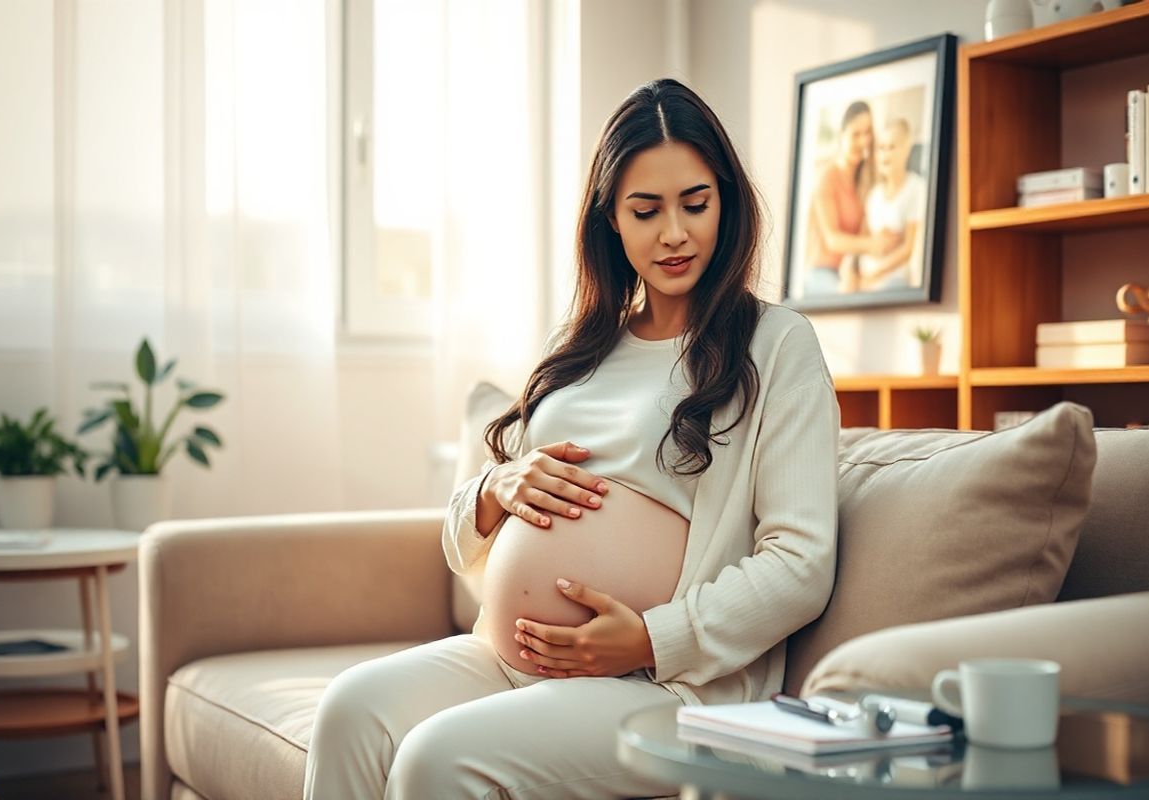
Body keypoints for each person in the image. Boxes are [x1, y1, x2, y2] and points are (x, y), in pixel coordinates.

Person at [303, 77, 839, 799]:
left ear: (728, 201)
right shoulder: (584, 347)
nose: (674, 232)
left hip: (664, 683)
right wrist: (493, 490)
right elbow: (463, 541)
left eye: (696, 203)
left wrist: (654, 637)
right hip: (506, 658)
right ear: (610, 219)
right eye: (645, 210)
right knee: (348, 711)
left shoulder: (776, 346)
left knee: (436, 759)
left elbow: (801, 562)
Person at [804, 99, 899, 295]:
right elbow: (833, 240)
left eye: (867, 133)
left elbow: (863, 234)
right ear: (842, 135)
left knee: (892, 285)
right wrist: (873, 244)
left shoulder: (864, 182)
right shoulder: (827, 177)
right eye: (856, 134)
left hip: (848, 270)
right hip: (822, 273)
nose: (863, 141)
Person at [844, 117, 926, 292]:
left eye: (892, 147)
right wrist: (855, 273)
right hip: (866, 276)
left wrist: (874, 276)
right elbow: (863, 239)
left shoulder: (916, 188)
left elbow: (908, 249)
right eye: (881, 148)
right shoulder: (874, 196)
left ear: (906, 150)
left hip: (893, 278)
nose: (885, 154)